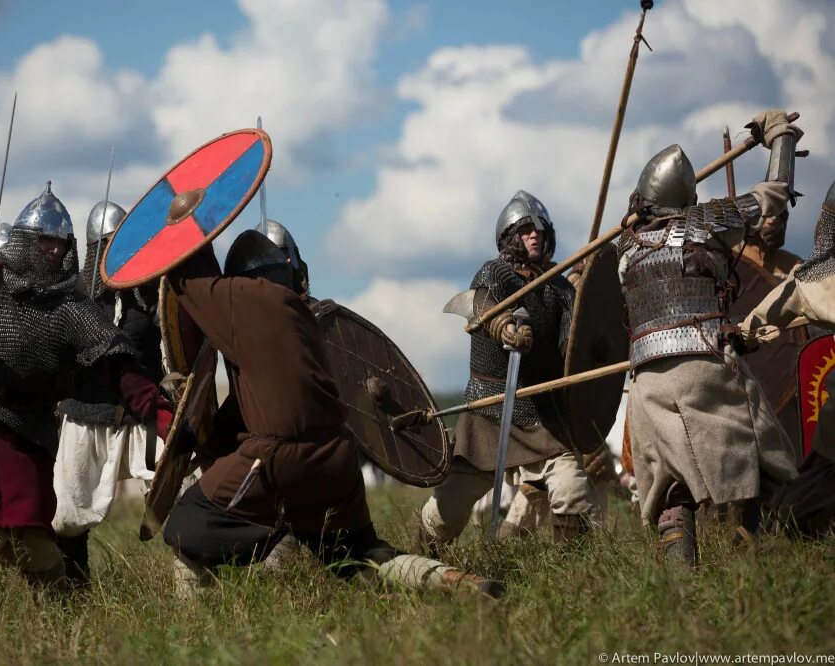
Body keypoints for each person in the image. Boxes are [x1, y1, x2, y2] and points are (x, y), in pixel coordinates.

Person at [162, 228, 501, 598]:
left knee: (185, 527)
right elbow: (253, 406)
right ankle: (462, 585)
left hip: (280, 459)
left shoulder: (244, 304)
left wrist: (184, 221)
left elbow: (188, 272)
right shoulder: (306, 319)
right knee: (360, 554)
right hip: (338, 461)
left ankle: (197, 631)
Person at [0, 183, 173, 613]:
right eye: (45, 239)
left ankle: (64, 620)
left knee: (34, 537)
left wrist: (159, 414)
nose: (53, 249)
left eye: (60, 242)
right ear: (24, 240)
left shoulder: (69, 310)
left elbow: (116, 365)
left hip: (25, 428)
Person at [616, 109, 802, 565]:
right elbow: (772, 198)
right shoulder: (707, 224)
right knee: (764, 461)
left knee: (669, 487)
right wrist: (780, 138)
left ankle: (684, 592)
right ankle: (745, 559)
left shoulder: (627, 248)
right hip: (704, 362)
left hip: (646, 380)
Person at [418, 190, 593, 551]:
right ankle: (424, 555)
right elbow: (483, 308)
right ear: (508, 237)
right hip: (491, 411)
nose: (534, 235)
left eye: (539, 229)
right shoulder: (493, 273)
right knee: (445, 512)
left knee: (572, 489)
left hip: (541, 414)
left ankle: (573, 575)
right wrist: (506, 328)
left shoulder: (559, 287)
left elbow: (570, 349)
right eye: (525, 229)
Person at [50, 200, 171, 587]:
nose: (112, 250)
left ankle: (193, 588)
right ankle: (74, 593)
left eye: (118, 241)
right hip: (85, 415)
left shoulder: (154, 289)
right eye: (105, 243)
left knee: (183, 492)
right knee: (66, 517)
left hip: (144, 418)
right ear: (92, 248)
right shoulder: (74, 296)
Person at [741, 177, 835, 536]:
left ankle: (783, 529)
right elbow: (761, 318)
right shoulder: (809, 277)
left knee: (809, 495)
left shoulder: (811, 279)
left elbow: (759, 320)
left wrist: (743, 335)